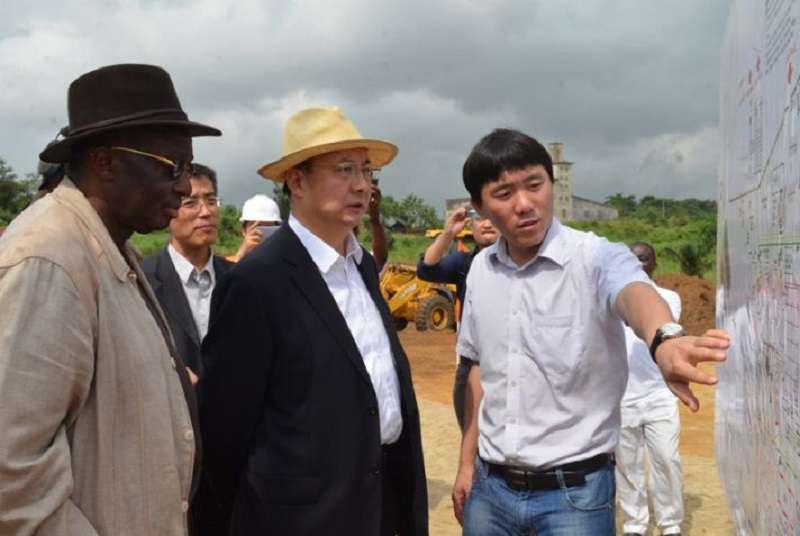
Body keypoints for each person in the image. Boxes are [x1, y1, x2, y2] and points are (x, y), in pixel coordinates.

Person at [450, 128, 730, 535]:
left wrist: (663, 337)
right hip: (490, 493)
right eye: (504, 193)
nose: (525, 204)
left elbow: (634, 291)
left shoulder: (596, 257)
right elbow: (476, 371)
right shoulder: (480, 270)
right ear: (479, 206)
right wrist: (465, 463)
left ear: (552, 182)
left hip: (574, 500)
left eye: (534, 185)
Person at [0, 64, 220, 535]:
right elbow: (11, 480)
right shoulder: (49, 259)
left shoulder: (111, 248)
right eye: (173, 167)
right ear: (106, 163)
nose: (185, 187)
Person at [198, 106, 428, 535]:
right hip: (301, 520)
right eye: (344, 169)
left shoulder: (360, 267)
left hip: (381, 509)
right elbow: (225, 430)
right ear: (296, 181)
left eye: (366, 171)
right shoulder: (256, 283)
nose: (362, 185)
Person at [616, 242, 684, 536]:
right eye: (634, 260)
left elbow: (646, 328)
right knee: (627, 467)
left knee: (667, 461)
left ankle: (670, 524)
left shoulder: (669, 299)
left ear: (654, 263)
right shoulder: (613, 302)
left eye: (645, 259)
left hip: (659, 396)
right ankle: (635, 524)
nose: (640, 264)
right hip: (621, 397)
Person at [142, 163, 233, 380]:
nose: (206, 212)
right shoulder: (142, 281)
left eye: (211, 201)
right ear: (168, 210)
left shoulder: (239, 279)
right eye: (191, 203)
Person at [416, 207, 498, 430]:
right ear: (471, 225)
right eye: (480, 218)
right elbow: (427, 270)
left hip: (507, 360)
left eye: (492, 217)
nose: (487, 224)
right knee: (469, 425)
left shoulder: (518, 262)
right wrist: (448, 232)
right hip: (471, 361)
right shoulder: (464, 263)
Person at [227, 194, 282, 262]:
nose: (261, 233)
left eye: (268, 226)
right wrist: (241, 255)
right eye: (257, 226)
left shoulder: (286, 261)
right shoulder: (227, 264)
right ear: (244, 231)